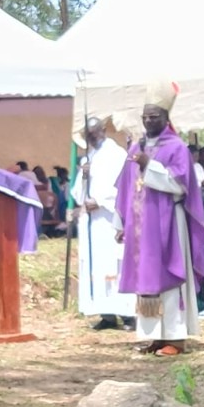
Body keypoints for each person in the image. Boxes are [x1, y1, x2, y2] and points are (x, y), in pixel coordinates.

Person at [114, 82, 204, 357]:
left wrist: (148, 166)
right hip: (142, 226)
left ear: (166, 118)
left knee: (169, 275)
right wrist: (121, 224)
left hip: (168, 222)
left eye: (155, 116)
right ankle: (153, 336)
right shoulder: (135, 148)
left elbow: (181, 184)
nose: (149, 121)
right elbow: (124, 187)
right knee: (146, 278)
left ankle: (175, 339)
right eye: (145, 117)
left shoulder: (177, 148)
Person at [71, 117, 135, 331]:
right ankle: (107, 314)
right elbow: (76, 193)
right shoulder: (88, 158)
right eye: (89, 136)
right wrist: (84, 176)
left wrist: (99, 201)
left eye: (95, 134)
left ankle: (127, 315)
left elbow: (125, 188)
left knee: (114, 265)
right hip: (92, 223)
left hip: (110, 220)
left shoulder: (117, 155)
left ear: (104, 130)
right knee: (96, 266)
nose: (92, 139)